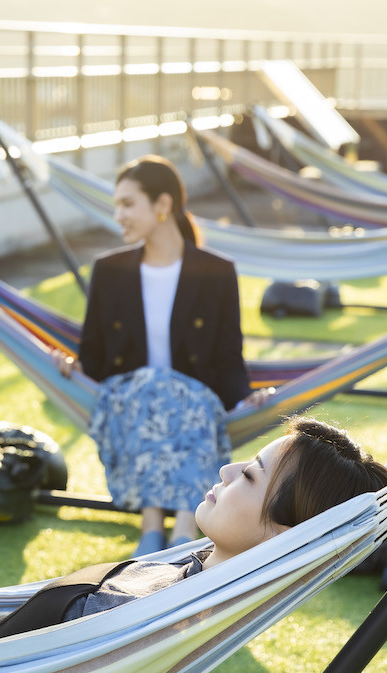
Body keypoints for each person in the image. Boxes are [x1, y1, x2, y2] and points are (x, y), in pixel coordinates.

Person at [0, 417, 387, 648]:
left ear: (283, 533)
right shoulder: (188, 575)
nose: (226, 470)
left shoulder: (141, 612)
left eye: (250, 475)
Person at [57, 154, 271, 556]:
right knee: (155, 385)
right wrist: (72, 368)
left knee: (179, 392)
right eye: (116, 204)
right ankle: (164, 529)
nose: (118, 214)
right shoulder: (109, 270)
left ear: (162, 205)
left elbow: (227, 356)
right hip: (129, 402)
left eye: (127, 203)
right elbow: (96, 356)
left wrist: (245, 399)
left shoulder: (216, 271)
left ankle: (169, 533)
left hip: (195, 407)